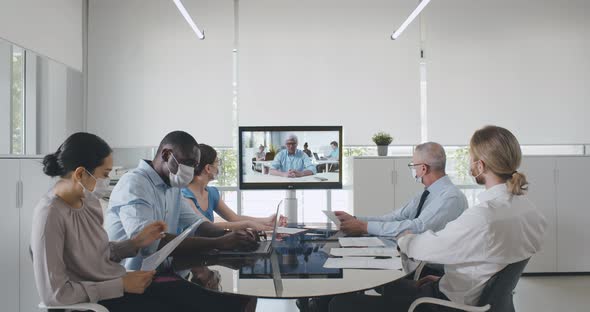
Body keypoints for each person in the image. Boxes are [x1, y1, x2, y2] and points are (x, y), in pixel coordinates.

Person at [329, 126, 546, 312]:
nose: (469, 163)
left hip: (444, 304)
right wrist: (446, 280)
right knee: (388, 287)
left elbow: (425, 246)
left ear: (480, 166)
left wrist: (406, 238)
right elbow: (489, 266)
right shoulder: (530, 211)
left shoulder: (483, 216)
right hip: (464, 294)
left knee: (339, 303)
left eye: (470, 158)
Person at [31, 132, 249, 312]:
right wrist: (120, 284)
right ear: (80, 173)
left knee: (233, 304)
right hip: (106, 297)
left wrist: (135, 243)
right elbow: (55, 295)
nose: (108, 182)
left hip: (126, 283)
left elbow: (100, 253)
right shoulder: (50, 214)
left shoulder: (89, 203)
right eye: (106, 174)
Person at [105, 131, 258, 271]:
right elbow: (150, 243)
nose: (191, 171)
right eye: (188, 163)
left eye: (194, 166)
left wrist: (235, 236)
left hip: (159, 273)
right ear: (166, 155)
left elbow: (198, 224)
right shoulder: (134, 184)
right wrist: (220, 242)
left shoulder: (172, 187)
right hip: (129, 280)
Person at [335, 142, 467, 238]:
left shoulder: (450, 197)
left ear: (423, 169)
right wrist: (355, 219)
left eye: (413, 166)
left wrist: (364, 227)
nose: (413, 170)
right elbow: (395, 218)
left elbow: (418, 227)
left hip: (432, 268)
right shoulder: (426, 194)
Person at [183, 144, 286, 231]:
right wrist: (248, 224)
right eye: (217, 162)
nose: (218, 166)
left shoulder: (211, 193)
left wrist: (267, 220)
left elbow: (234, 218)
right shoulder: (184, 196)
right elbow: (207, 226)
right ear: (208, 168)